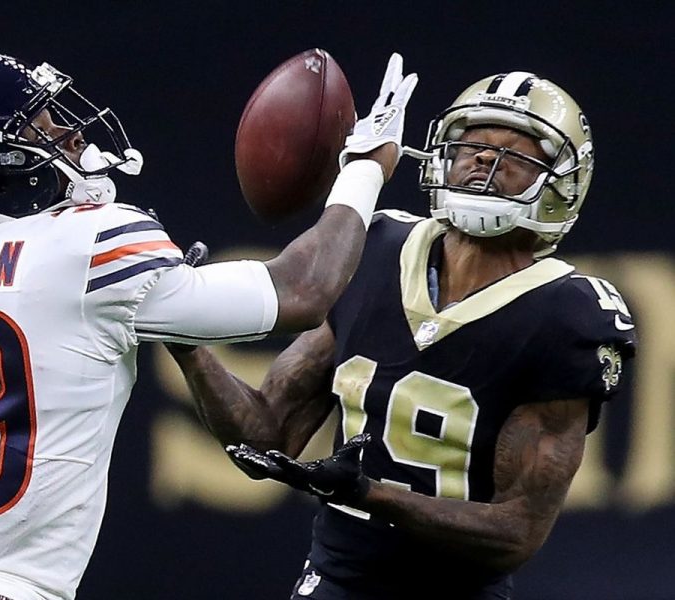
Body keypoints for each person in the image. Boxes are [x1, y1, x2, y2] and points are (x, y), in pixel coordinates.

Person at [0, 51, 417, 600]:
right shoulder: (91, 243)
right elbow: (302, 290)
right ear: (1, 158)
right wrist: (365, 167)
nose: (71, 135)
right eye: (43, 128)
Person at [167, 71, 636, 599]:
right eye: (473, 145)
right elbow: (266, 435)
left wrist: (370, 494)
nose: (485, 160)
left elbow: (517, 532)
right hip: (336, 580)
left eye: (515, 153)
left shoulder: (565, 314)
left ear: (562, 182)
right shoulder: (376, 247)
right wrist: (186, 341)